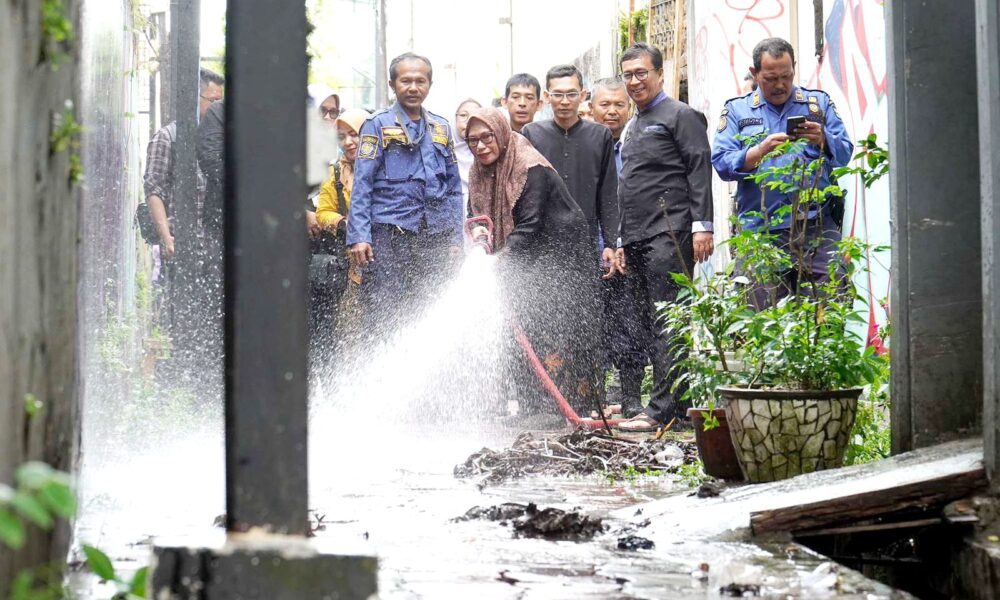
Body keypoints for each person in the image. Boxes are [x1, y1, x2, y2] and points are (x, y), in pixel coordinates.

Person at [465, 107, 603, 416]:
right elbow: (476, 217)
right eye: (472, 141)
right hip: (522, 255)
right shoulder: (478, 172)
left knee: (557, 326)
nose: (481, 146)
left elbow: (531, 225)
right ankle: (530, 406)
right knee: (521, 326)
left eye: (487, 137)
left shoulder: (529, 167)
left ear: (500, 132)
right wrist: (478, 241)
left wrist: (498, 261)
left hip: (561, 256)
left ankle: (567, 407)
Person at [614, 43, 715, 432]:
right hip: (638, 236)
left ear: (659, 73)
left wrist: (702, 225)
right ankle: (680, 404)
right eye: (628, 75)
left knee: (667, 320)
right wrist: (622, 239)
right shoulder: (634, 122)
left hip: (670, 232)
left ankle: (659, 409)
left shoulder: (680, 115)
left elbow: (698, 169)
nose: (635, 81)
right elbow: (631, 184)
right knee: (649, 319)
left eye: (642, 73)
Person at [711, 37, 853, 305]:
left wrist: (823, 139)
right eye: (771, 78)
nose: (780, 85)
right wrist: (758, 152)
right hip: (760, 231)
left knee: (830, 310)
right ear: (755, 73)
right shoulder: (737, 111)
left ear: (794, 68)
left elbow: (845, 152)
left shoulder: (817, 104)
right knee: (762, 318)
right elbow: (721, 162)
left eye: (786, 76)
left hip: (816, 227)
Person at [346, 52, 464, 343]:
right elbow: (362, 184)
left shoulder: (441, 127)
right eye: (406, 81)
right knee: (385, 309)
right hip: (390, 237)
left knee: (431, 309)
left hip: (434, 236)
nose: (413, 87)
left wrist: (455, 240)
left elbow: (453, 189)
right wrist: (359, 235)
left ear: (430, 84)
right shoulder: (377, 125)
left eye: (420, 81)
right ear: (392, 84)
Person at [521, 65, 620, 271]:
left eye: (571, 94)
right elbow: (523, 192)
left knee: (586, 300)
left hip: (585, 241)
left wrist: (610, 243)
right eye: (557, 94)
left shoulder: (600, 135)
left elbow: (608, 193)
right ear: (547, 96)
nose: (564, 101)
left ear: (583, 95)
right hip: (541, 243)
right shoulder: (531, 134)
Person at [590, 77, 647, 419]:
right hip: (592, 252)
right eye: (604, 105)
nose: (612, 112)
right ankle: (592, 400)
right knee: (592, 330)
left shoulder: (637, 143)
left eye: (619, 105)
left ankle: (631, 399)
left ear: (628, 108)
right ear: (592, 106)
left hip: (631, 250)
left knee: (631, 327)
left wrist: (623, 244)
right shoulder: (583, 144)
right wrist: (601, 245)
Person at [143, 67, 225, 259]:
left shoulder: (219, 139)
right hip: (180, 248)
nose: (217, 108)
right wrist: (166, 239)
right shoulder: (167, 138)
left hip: (214, 248)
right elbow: (154, 191)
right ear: (193, 98)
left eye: (220, 102)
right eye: (213, 101)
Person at [452, 98, 482, 212]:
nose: (469, 120)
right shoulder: (445, 152)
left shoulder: (489, 151)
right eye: (463, 115)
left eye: (476, 115)